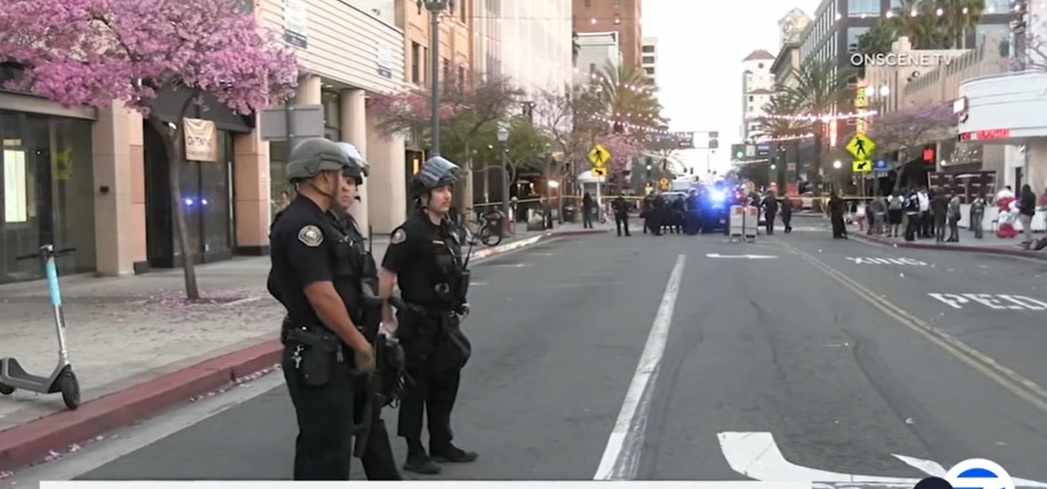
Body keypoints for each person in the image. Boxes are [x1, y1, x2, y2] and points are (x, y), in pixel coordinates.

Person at [267, 137, 376, 480]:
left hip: (329, 348)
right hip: (318, 351)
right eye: (335, 173)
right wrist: (360, 344)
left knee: (330, 444)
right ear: (320, 176)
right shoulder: (304, 226)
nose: (341, 180)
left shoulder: (325, 221)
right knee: (325, 453)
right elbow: (322, 295)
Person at [377, 156, 478, 475]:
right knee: (415, 389)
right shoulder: (410, 232)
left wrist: (458, 304)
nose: (447, 195)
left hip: (443, 321)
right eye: (439, 190)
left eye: (448, 188)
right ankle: (414, 450)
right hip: (417, 322)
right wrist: (386, 316)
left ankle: (441, 443)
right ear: (423, 196)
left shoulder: (447, 229)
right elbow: (387, 275)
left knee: (446, 381)